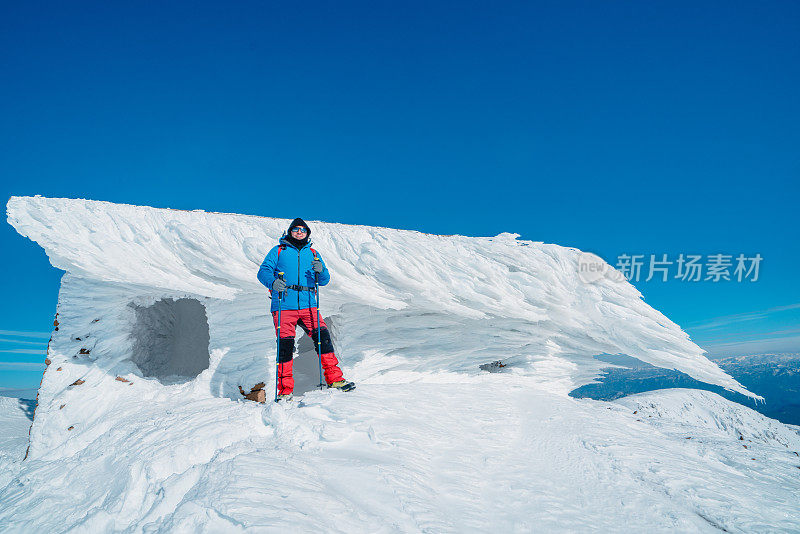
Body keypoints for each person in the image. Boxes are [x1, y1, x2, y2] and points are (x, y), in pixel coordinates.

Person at [257, 218, 355, 401]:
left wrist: (321, 270)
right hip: (284, 305)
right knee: (285, 347)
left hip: (309, 306)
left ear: (307, 233)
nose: (299, 232)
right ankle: (285, 391)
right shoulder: (279, 250)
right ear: (290, 232)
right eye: (296, 229)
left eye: (303, 230)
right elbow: (263, 271)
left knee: (323, 339)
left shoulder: (313, 253)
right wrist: (272, 282)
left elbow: (324, 280)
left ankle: (335, 380)